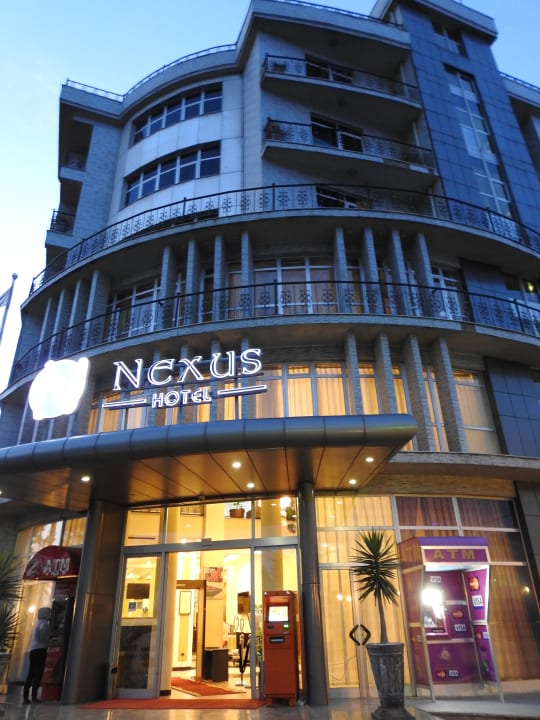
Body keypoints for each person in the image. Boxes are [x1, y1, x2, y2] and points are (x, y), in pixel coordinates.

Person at [23, 607, 51, 704]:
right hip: (40, 650)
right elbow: (42, 638)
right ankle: (34, 697)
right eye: (49, 613)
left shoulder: (37, 623)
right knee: (38, 674)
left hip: (33, 650)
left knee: (31, 673)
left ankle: (25, 697)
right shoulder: (44, 624)